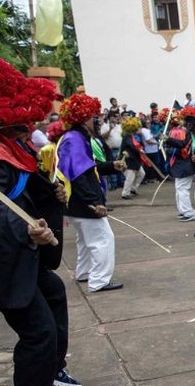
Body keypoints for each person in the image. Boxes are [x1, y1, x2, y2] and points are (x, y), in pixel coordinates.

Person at [0, 56, 81, 386]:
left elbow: (24, 191)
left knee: (55, 291)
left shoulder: (11, 146)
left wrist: (53, 195)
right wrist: (27, 230)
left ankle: (52, 369)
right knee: (38, 333)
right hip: (3, 261)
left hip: (20, 259)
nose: (33, 124)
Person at [58, 93, 125, 292]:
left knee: (86, 240)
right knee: (102, 239)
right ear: (82, 118)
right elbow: (77, 175)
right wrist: (94, 202)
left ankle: (85, 273)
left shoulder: (76, 137)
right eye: (94, 117)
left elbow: (89, 168)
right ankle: (99, 281)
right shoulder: (75, 139)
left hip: (77, 204)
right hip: (82, 203)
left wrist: (112, 165)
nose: (98, 121)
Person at [165, 106, 195, 237]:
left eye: (190, 121)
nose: (188, 124)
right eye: (187, 121)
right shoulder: (192, 134)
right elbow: (183, 145)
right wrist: (168, 139)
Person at [119, 117, 148, 200]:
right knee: (130, 178)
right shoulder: (127, 137)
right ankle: (125, 193)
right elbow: (131, 146)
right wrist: (140, 150)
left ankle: (133, 189)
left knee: (141, 174)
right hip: (128, 161)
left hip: (134, 161)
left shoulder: (131, 136)